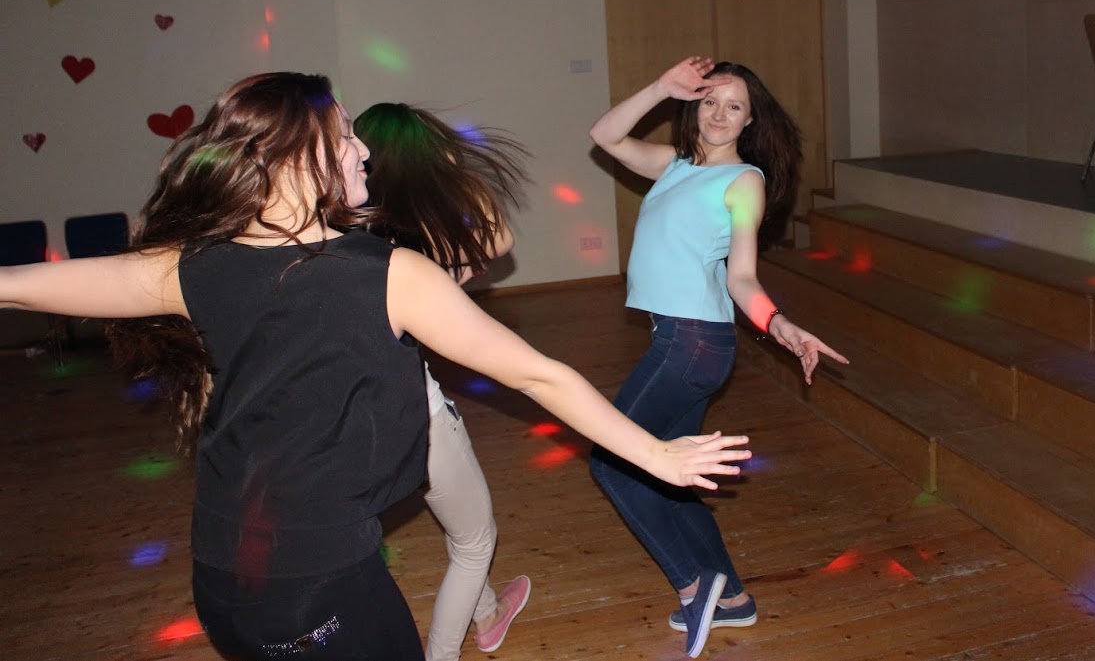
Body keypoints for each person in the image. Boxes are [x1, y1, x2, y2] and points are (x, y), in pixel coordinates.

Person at [0, 72, 751, 661]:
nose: (362, 150)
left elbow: (25, 284)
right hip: (319, 589)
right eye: (343, 137)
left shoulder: (192, 266)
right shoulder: (390, 275)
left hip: (220, 580)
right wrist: (656, 454)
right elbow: (537, 374)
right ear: (292, 160)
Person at [587, 56, 848, 658]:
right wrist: (660, 86)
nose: (720, 115)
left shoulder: (744, 181)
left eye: (735, 107)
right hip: (679, 340)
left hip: (692, 343)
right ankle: (732, 598)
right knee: (671, 478)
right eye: (710, 101)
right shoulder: (674, 164)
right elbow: (604, 135)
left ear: (750, 120)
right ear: (694, 106)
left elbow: (743, 277)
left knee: (610, 460)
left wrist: (780, 325)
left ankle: (693, 584)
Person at [353, 102, 532, 659]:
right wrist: (455, 174)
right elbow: (498, 240)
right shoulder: (421, 240)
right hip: (413, 411)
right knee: (475, 542)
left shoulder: (349, 232)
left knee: (457, 517)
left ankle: (488, 611)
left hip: (348, 419)